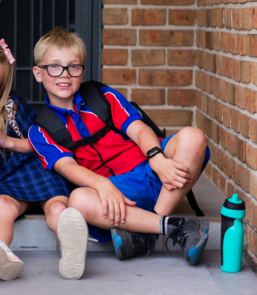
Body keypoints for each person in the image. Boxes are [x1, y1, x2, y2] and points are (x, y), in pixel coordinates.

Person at [28, 27, 211, 267]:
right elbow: (68, 168)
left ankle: (145, 230)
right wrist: (102, 184)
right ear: (38, 73)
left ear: (82, 71)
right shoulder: (39, 130)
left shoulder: (102, 96)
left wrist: (156, 158)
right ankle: (171, 225)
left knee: (194, 138)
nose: (65, 75)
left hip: (152, 172)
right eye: (54, 67)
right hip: (115, 195)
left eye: (73, 66)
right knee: (78, 200)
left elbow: (138, 128)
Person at [0, 40, 88, 280]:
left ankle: (72, 252)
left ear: (1, 88)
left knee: (57, 208)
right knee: (0, 208)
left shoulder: (10, 105)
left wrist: (6, 140)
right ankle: (0, 255)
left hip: (34, 167)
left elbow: (41, 141)